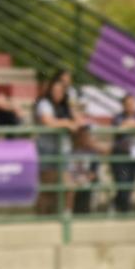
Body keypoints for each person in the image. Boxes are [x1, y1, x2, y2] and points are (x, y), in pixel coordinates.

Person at [33, 73, 82, 215]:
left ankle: (66, 216)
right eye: (55, 90)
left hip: (64, 151)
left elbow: (78, 122)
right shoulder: (44, 103)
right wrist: (66, 123)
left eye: (61, 91)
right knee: (48, 191)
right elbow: (48, 122)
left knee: (69, 186)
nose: (58, 94)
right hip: (48, 151)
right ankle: (41, 218)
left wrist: (72, 107)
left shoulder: (66, 105)